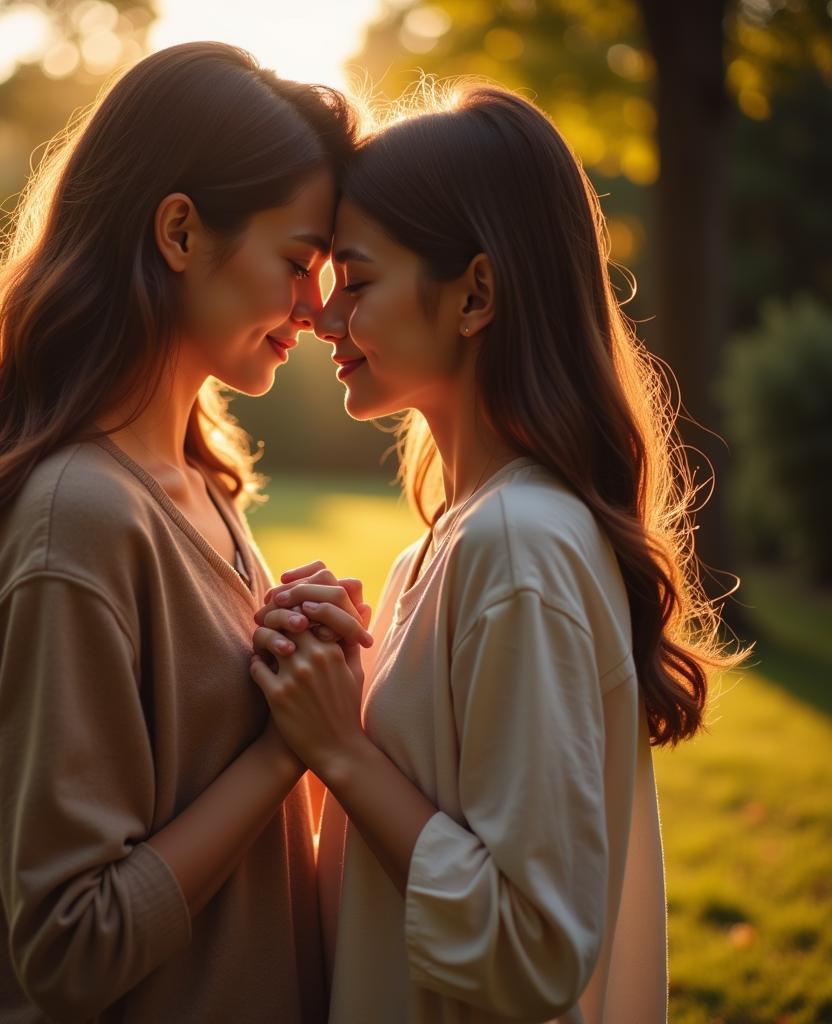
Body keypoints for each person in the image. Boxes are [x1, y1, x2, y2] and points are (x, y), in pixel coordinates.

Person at [0, 42, 363, 1022]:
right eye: (295, 262)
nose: (317, 310)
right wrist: (285, 748)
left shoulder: (195, 482)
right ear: (179, 231)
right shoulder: (78, 522)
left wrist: (298, 647)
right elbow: (71, 944)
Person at [249, 83, 745, 1023]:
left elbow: (533, 946)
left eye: (356, 281)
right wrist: (318, 680)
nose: (319, 319)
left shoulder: (521, 549)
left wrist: (342, 749)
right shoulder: (451, 545)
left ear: (475, 292)